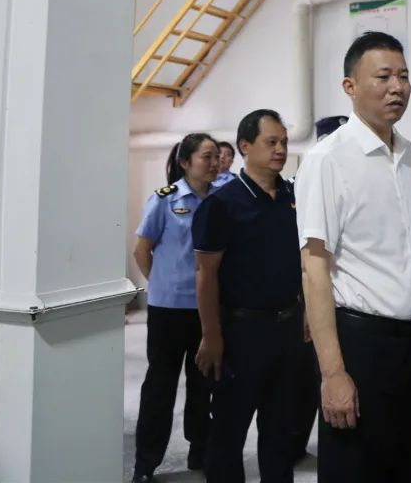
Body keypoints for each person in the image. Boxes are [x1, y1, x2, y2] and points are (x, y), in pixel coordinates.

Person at [297, 31, 411, 483]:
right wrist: (333, 374)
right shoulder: (328, 159)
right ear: (350, 86)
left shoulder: (409, 153)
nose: (397, 87)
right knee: (355, 470)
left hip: (409, 345)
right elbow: (314, 268)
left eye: (404, 76)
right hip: (360, 346)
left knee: (401, 467)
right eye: (383, 77)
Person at [193, 110, 304, 483]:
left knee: (280, 431)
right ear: (245, 146)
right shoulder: (223, 204)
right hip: (241, 333)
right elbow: (205, 274)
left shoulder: (292, 196)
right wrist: (211, 336)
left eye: (283, 142)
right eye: (271, 142)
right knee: (228, 432)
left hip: (286, 330)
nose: (280, 149)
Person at [131, 133, 219, 483]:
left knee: (203, 386)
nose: (214, 163)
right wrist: (161, 283)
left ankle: (200, 451)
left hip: (206, 310)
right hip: (168, 310)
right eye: (207, 156)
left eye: (216, 156)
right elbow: (141, 250)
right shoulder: (164, 200)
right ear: (185, 162)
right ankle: (145, 464)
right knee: (160, 388)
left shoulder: (221, 200)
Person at [288, 115, 350, 463]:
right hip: (307, 289)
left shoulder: (350, 179)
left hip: (341, 296)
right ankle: (295, 441)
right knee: (305, 375)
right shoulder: (305, 180)